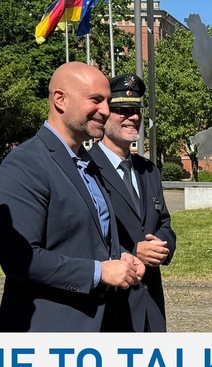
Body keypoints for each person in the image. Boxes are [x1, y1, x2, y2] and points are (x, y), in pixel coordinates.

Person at [0, 62, 144, 332]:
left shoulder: (86, 163)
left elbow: (78, 237)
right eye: (95, 100)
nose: (105, 110)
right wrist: (99, 272)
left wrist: (119, 256)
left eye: (107, 101)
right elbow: (19, 258)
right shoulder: (26, 163)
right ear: (60, 100)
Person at [89, 73, 177, 332]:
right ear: (105, 115)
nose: (133, 118)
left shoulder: (148, 170)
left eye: (136, 110)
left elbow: (164, 223)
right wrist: (132, 251)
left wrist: (163, 246)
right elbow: (83, 235)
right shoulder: (87, 168)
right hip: (112, 307)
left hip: (151, 306)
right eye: (123, 111)